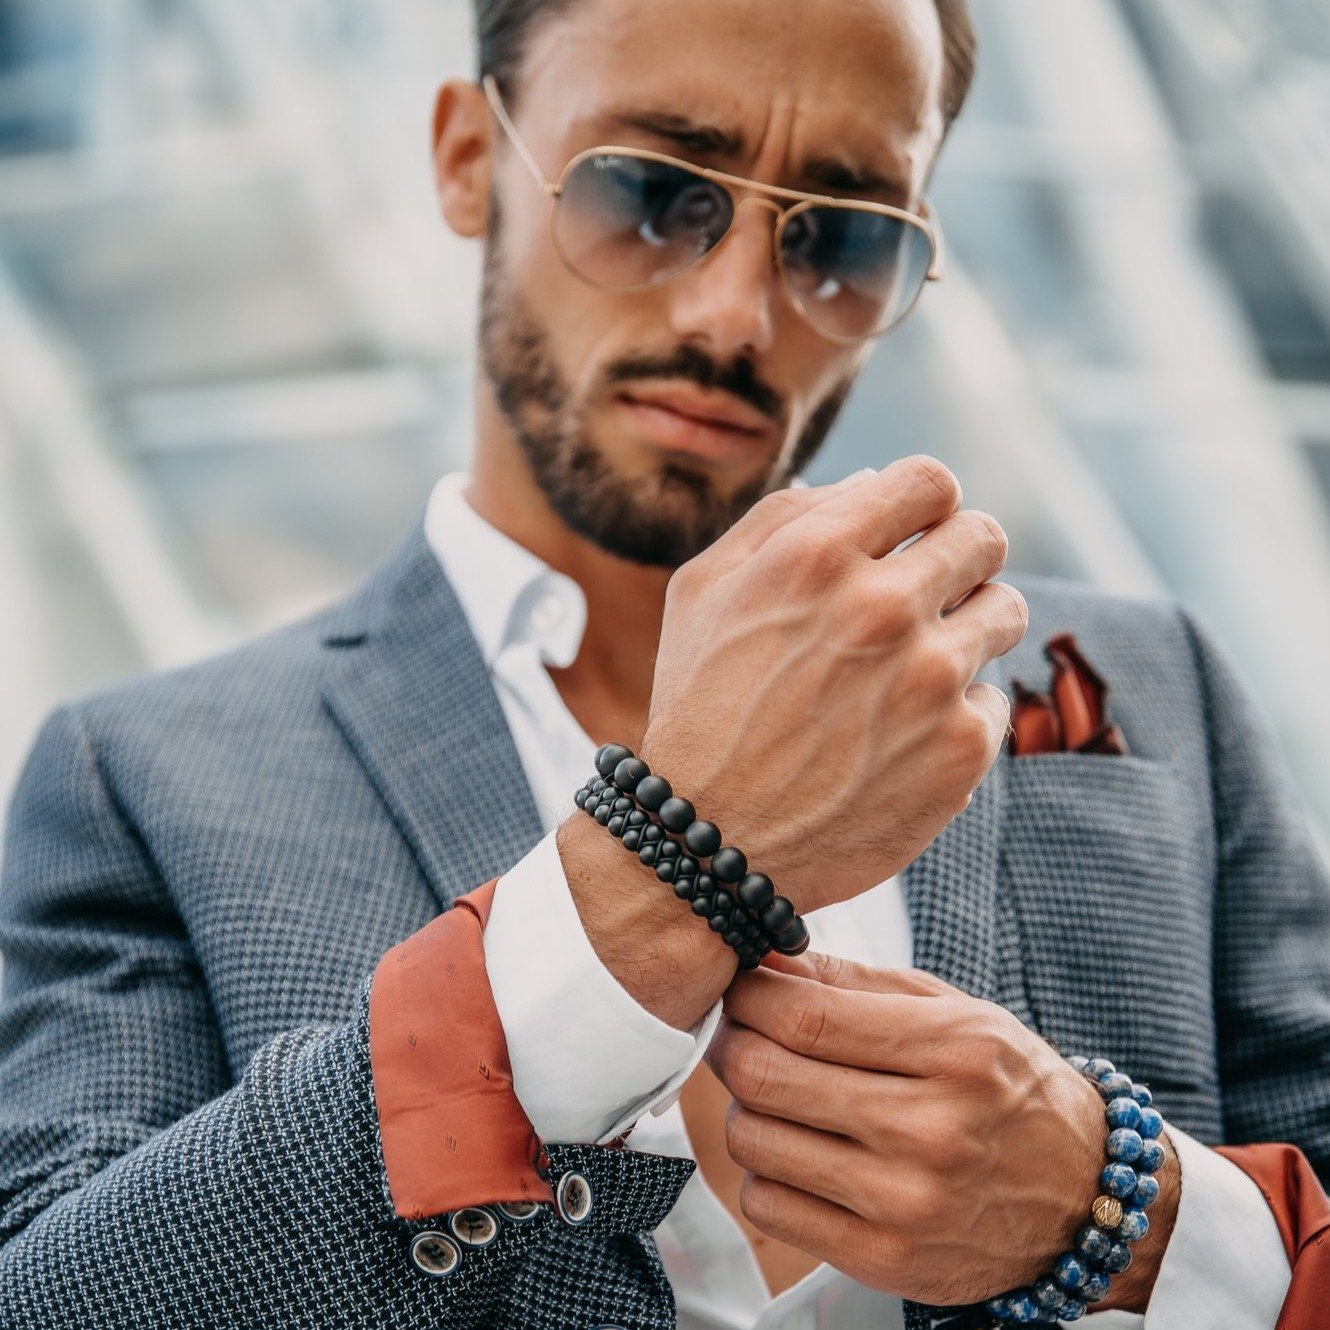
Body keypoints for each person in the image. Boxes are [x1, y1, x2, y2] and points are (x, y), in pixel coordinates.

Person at [1, 0, 1327, 1326]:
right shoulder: (145, 776)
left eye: (844, 233)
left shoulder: (1148, 688)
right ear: (469, 158)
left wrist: (1128, 1215)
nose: (734, 314)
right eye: (650, 190)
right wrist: (659, 871)